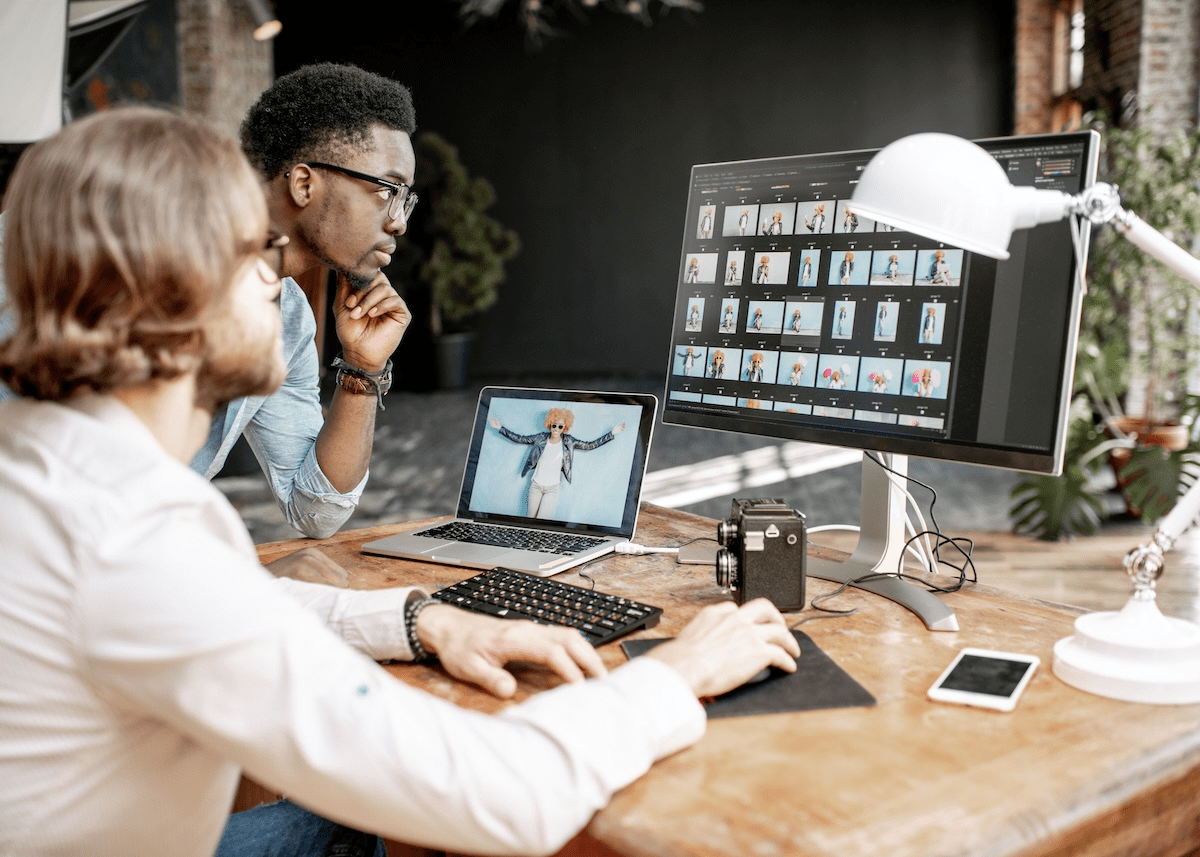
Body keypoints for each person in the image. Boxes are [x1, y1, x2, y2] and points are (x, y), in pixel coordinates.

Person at [0, 106, 800, 857]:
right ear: (169, 291)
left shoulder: (44, 468)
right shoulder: (135, 529)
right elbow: (497, 793)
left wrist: (421, 619)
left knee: (342, 811)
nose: (277, 280)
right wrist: (674, 676)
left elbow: (226, 598)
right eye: (256, 252)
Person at [0, 63, 414, 550]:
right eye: (387, 191)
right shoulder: (104, 248)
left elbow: (315, 510)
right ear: (304, 183)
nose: (398, 222)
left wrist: (363, 371)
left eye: (406, 200)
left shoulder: (288, 316)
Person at [488, 408, 625, 519]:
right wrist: (500, 428)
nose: (556, 429)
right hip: (536, 485)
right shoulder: (540, 438)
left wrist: (612, 433)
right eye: (554, 425)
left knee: (542, 521)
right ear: (550, 424)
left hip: (552, 489)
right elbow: (519, 439)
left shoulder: (569, 441)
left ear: (565, 427)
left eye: (560, 426)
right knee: (530, 520)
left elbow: (590, 445)